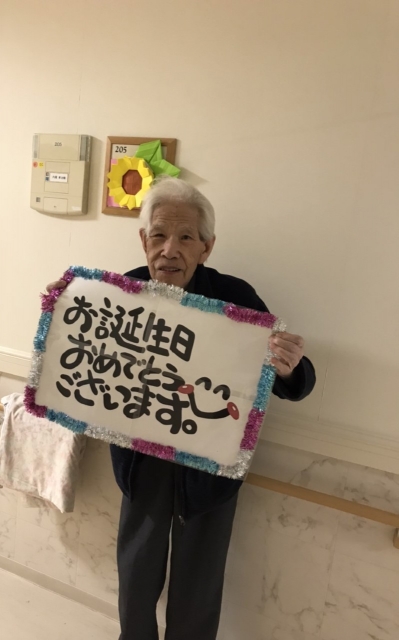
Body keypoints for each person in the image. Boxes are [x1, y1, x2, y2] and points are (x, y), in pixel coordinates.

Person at [47, 177, 316, 640]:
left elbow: (295, 383)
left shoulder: (235, 298)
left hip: (211, 467)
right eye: (158, 235)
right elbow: (83, 361)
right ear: (143, 240)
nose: (169, 249)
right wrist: (64, 314)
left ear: (206, 247)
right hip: (141, 460)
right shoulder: (122, 292)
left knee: (199, 583)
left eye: (186, 237)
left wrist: (289, 368)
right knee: (137, 571)